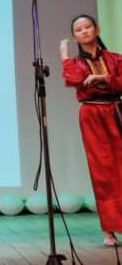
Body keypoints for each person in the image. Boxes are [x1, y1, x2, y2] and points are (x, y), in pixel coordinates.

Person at [60, 14, 122, 247]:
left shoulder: (115, 58)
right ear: (75, 36)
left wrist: (101, 78)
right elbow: (74, 79)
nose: (84, 31)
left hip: (116, 110)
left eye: (88, 27)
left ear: (97, 30)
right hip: (93, 114)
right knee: (102, 171)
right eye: (79, 29)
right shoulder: (76, 63)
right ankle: (109, 230)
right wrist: (65, 57)